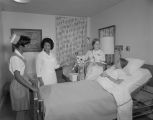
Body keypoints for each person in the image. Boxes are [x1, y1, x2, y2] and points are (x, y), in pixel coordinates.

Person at [9, 34, 38, 120]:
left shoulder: (20, 56)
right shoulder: (15, 58)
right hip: (18, 86)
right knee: (21, 111)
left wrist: (31, 79)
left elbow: (23, 73)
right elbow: (18, 76)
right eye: (27, 44)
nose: (28, 46)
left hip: (22, 85)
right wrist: (32, 88)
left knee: (24, 109)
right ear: (22, 45)